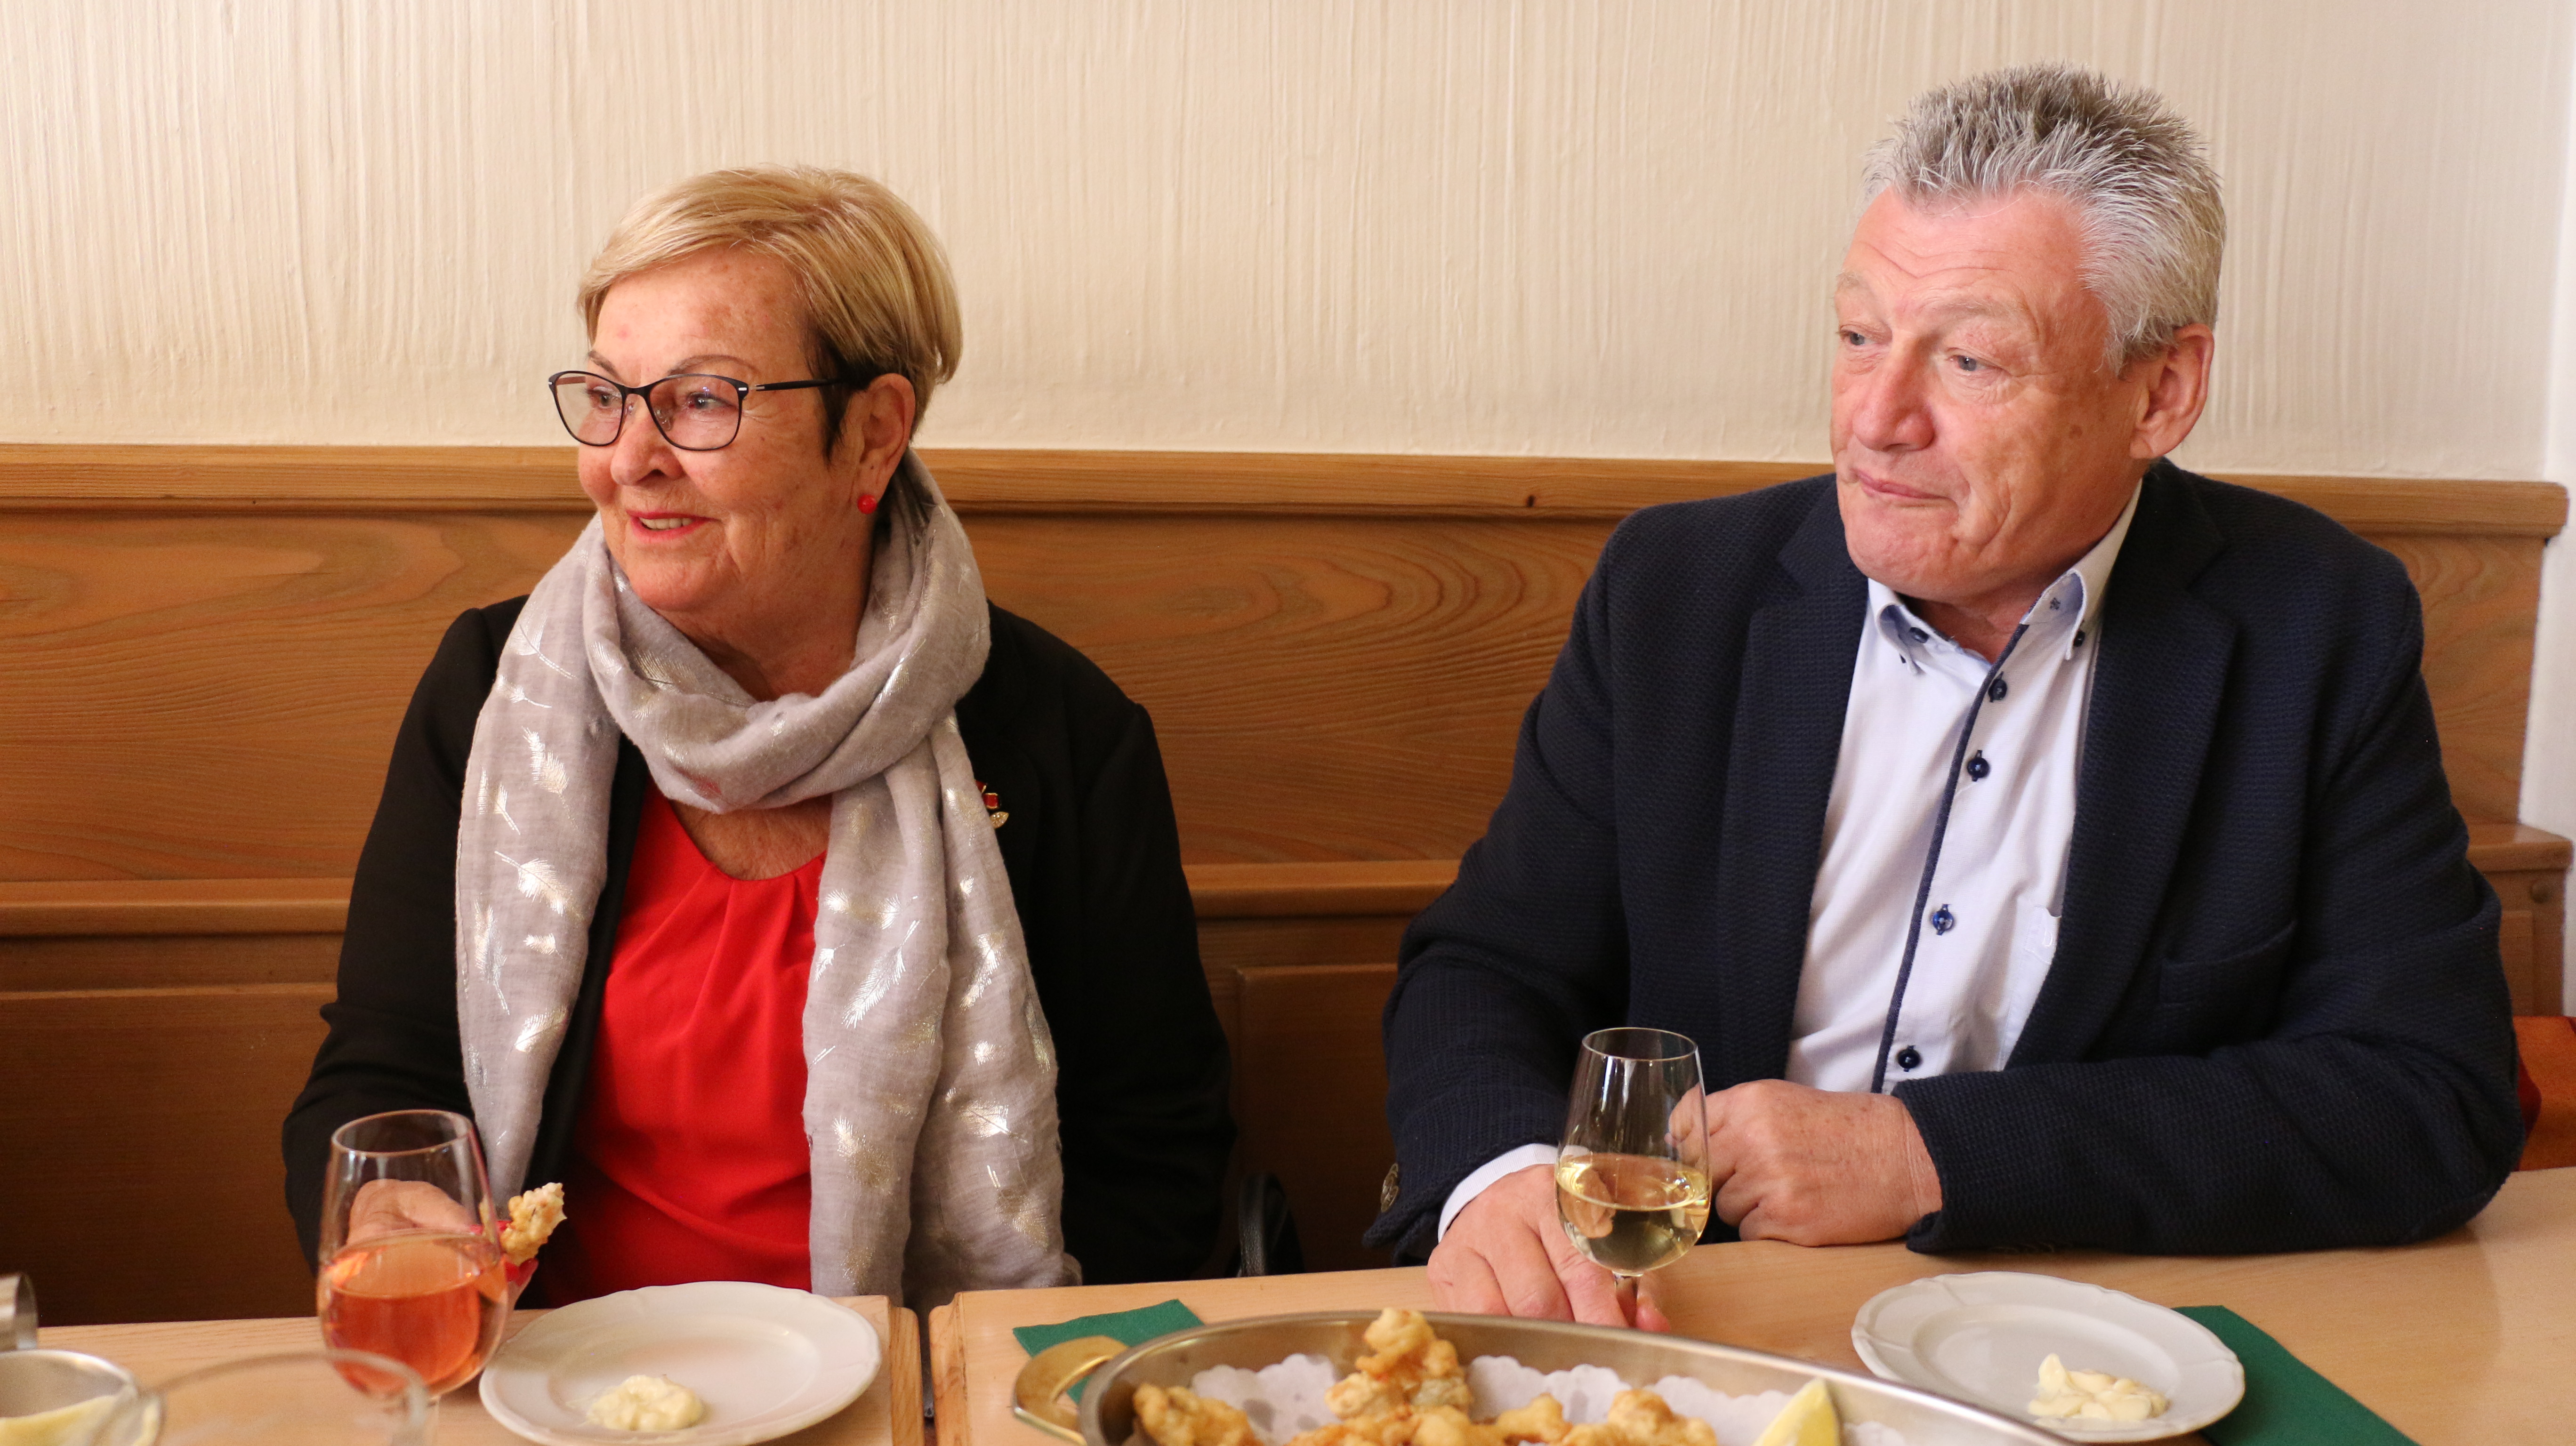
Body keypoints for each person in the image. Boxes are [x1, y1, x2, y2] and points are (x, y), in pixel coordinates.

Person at [1368, 64, 2523, 1327]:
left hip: (2073, 1334)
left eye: (1970, 360)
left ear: (2161, 393)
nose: (1877, 419)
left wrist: (1933, 1153)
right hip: (1695, 1311)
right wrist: (1503, 1176)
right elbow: (1487, 969)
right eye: (1859, 338)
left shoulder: (2317, 624)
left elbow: (2425, 1096)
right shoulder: (1677, 593)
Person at [283, 164, 1233, 1307]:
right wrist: (387, 1209)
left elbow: (1155, 1157)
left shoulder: (1062, 736)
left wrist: (976, 1374)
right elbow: (384, 1070)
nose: (628, 459)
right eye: (606, 395)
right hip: (563, 1377)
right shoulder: (492, 689)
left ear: (872, 435)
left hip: (920, 1378)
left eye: (701, 400)